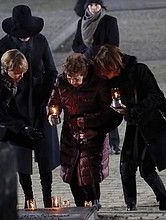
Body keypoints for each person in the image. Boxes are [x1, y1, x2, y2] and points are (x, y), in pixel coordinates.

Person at [0, 5, 60, 208]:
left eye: (28, 35)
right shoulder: (4, 44)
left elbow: (51, 70)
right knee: (20, 155)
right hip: (17, 106)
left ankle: (48, 197)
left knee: (45, 154)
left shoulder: (40, 41)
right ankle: (28, 197)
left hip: (40, 104)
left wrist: (48, 100)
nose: (25, 38)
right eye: (21, 35)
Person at [94, 44, 166, 211]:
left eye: (106, 70)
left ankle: (163, 197)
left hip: (152, 124)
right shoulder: (113, 82)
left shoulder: (139, 71)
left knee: (146, 167)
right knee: (126, 165)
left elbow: (156, 97)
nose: (104, 75)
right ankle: (130, 204)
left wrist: (133, 109)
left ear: (114, 65)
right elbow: (113, 113)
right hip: (134, 126)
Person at [48, 53, 122, 207]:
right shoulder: (61, 81)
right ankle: (80, 207)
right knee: (72, 174)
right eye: (69, 77)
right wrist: (52, 113)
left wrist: (90, 122)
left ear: (84, 73)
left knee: (90, 175)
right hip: (70, 135)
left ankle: (94, 204)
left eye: (76, 78)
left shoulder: (98, 82)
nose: (71, 81)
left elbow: (109, 111)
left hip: (93, 135)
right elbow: (54, 101)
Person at [72, 0, 121, 154]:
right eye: (91, 5)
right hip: (87, 67)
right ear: (87, 6)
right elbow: (76, 44)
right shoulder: (82, 21)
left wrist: (94, 51)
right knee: (91, 103)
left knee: (108, 102)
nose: (94, 8)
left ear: (101, 6)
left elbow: (113, 43)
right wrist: (85, 52)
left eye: (97, 5)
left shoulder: (109, 21)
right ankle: (92, 137)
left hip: (104, 66)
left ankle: (114, 142)